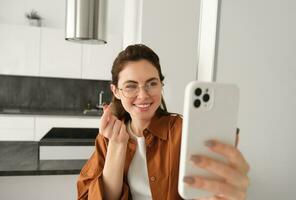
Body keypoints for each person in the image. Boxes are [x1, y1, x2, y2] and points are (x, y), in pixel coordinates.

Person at [77, 44, 250, 200]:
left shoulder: (184, 131)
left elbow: (207, 190)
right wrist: (117, 144)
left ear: (161, 85)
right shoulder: (108, 137)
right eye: (131, 86)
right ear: (116, 91)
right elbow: (88, 196)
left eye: (152, 83)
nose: (143, 95)